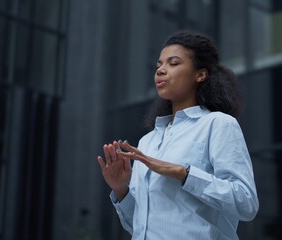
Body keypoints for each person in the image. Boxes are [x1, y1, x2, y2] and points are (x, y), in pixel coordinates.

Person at [97, 30, 259, 239]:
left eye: (173, 63)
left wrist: (183, 173)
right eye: (159, 65)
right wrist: (121, 190)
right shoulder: (148, 141)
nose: (161, 71)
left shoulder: (218, 124)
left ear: (200, 74)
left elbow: (246, 203)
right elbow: (139, 227)